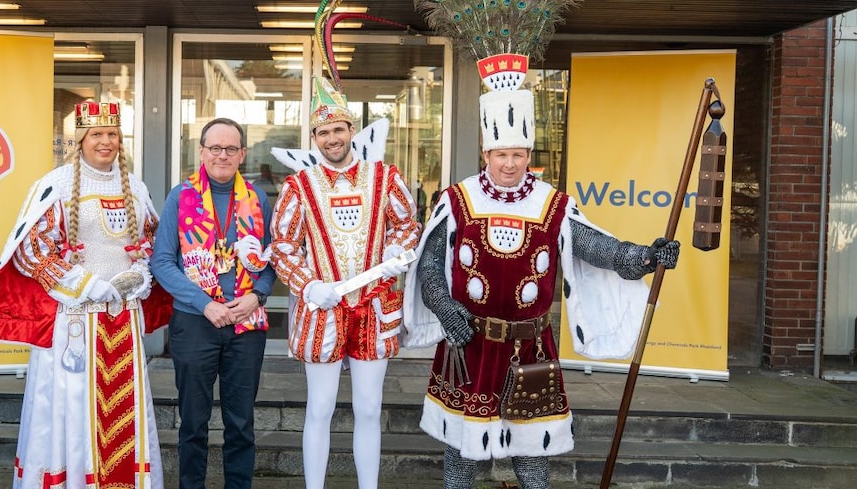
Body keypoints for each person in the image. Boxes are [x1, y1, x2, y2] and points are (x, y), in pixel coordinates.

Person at [401, 57, 681, 489]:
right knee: (460, 455)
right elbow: (431, 266)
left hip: (529, 347)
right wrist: (442, 304)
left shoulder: (553, 205)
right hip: (469, 345)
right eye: (500, 155)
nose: (508, 164)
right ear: (486, 153)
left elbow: (598, 248)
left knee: (531, 456)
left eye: (516, 154)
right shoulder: (457, 200)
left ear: (528, 154)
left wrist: (644, 256)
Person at [0, 101, 164, 489]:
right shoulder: (58, 184)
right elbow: (33, 250)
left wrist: (139, 275)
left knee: (124, 410)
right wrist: (87, 285)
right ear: (80, 140)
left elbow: (151, 240)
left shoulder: (135, 186)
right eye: (96, 134)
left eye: (111, 134)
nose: (105, 142)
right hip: (75, 321)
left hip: (123, 316)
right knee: (73, 407)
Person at [269, 76, 422, 489]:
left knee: (370, 408)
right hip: (323, 312)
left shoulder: (386, 177)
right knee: (319, 408)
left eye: (339, 129)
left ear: (352, 130)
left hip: (374, 307)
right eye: (323, 132)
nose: (332, 139)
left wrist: (397, 251)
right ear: (315, 138)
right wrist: (306, 285)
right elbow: (282, 246)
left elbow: (409, 226)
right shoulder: (298, 187)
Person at [149, 118, 276, 489]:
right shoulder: (180, 195)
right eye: (215, 148)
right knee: (193, 422)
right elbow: (161, 262)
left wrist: (257, 296)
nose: (223, 155)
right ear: (202, 151)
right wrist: (204, 303)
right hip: (194, 323)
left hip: (245, 326)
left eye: (231, 149)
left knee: (241, 423)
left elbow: (271, 264)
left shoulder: (258, 199)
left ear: (242, 154)